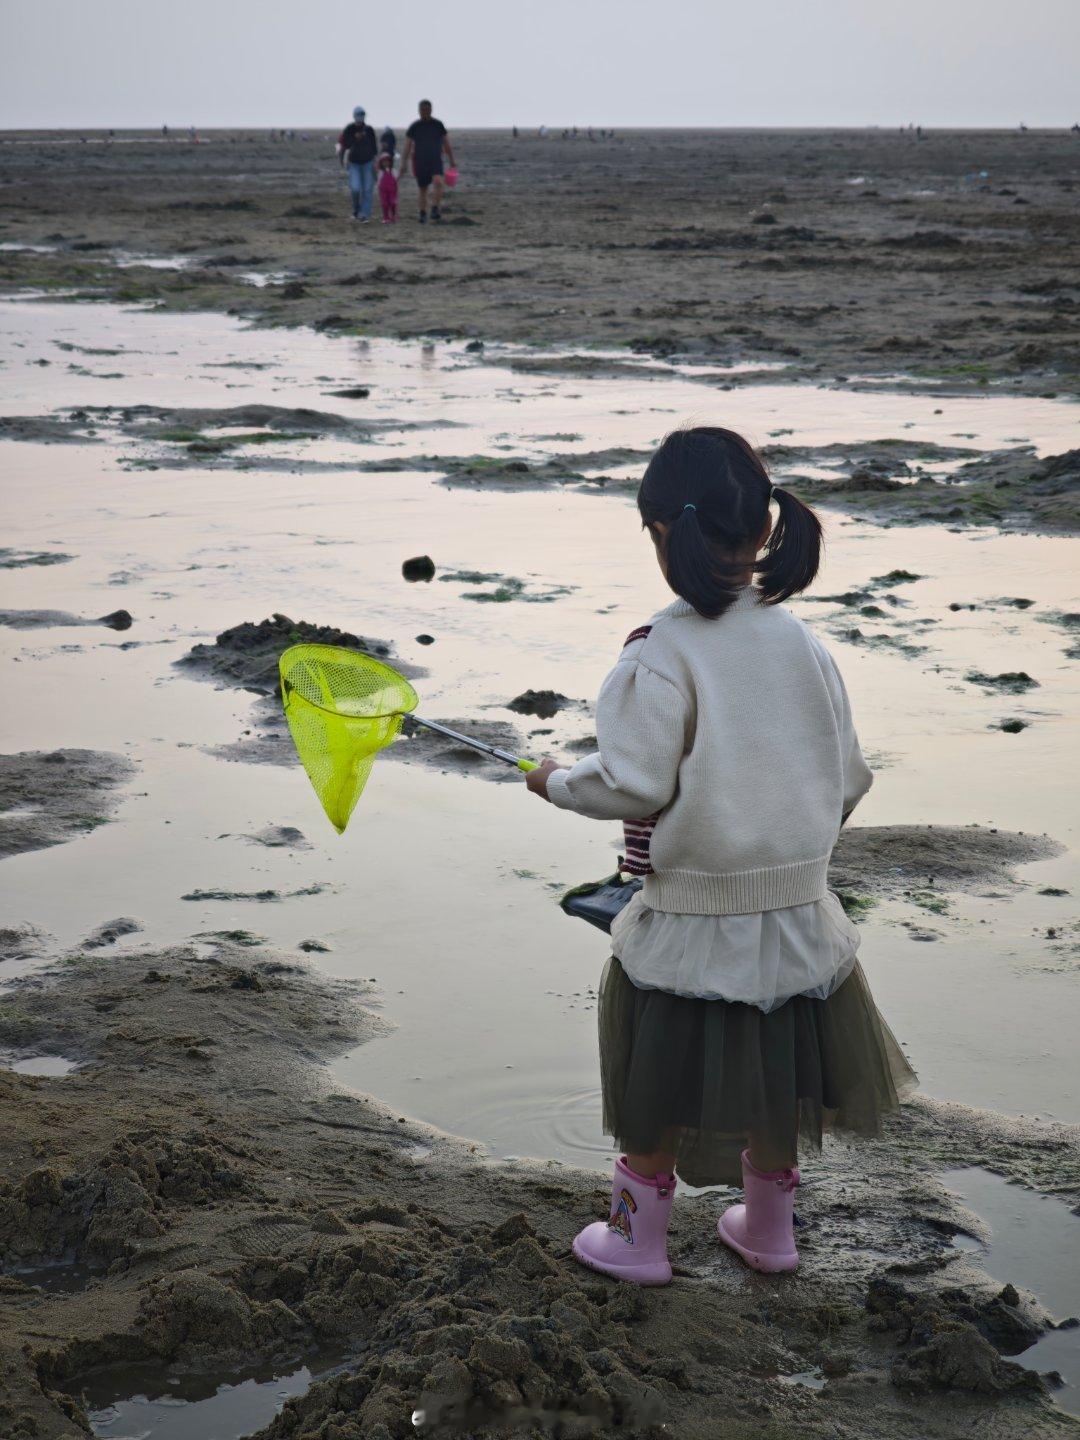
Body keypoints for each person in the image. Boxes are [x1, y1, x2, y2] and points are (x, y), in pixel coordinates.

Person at [525, 427, 916, 1285]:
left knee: (654, 1082)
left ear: (663, 534)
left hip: (693, 915)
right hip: (798, 916)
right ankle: (769, 1232)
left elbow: (630, 784)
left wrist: (554, 780)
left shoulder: (660, 653)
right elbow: (849, 778)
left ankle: (638, 1240)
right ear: (764, 531)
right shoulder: (803, 645)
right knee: (775, 1080)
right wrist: (789, 852)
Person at [399, 99, 455, 223]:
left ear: (431, 110)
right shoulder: (414, 126)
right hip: (420, 161)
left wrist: (451, 160)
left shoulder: (438, 125)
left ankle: (434, 208)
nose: (425, 112)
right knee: (423, 189)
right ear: (419, 111)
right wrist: (403, 163)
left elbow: (446, 143)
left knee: (438, 182)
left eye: (427, 110)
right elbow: (407, 146)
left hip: (435, 160)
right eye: (422, 110)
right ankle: (423, 213)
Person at [337, 106, 378, 222]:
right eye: (359, 114)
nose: (361, 116)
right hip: (354, 163)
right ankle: (356, 210)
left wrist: (375, 162)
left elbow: (374, 148)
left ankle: (365, 215)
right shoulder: (349, 129)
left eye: (363, 114)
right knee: (355, 188)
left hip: (368, 163)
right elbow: (345, 145)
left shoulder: (369, 129)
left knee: (367, 189)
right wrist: (355, 138)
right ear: (354, 116)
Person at [377, 153, 398, 224]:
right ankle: (385, 217)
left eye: (387, 161)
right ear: (381, 163)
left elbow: (396, 180)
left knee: (393, 203)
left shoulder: (394, 171)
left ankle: (393, 215)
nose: (386, 163)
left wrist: (396, 189)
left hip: (392, 191)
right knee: (384, 204)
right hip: (383, 191)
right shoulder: (380, 172)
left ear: (390, 162)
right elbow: (379, 182)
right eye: (384, 162)